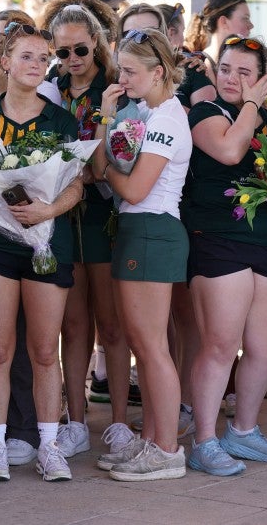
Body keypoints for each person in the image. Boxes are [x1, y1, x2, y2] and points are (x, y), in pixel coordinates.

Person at [0, 21, 82, 483]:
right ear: (4, 61)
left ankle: (48, 445)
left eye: (43, 58)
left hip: (46, 245)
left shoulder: (61, 119)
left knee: (46, 350)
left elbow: (78, 184)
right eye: (26, 56)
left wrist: (49, 209)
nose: (36, 65)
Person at [185, 36, 267, 476]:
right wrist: (250, 104)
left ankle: (244, 433)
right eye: (226, 69)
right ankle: (204, 440)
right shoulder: (205, 112)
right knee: (221, 344)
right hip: (218, 238)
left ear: (264, 77)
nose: (232, 78)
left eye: (244, 72)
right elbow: (229, 150)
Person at [91, 28, 191, 481]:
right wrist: (106, 121)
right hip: (139, 229)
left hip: (153, 229)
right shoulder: (149, 113)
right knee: (142, 346)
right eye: (121, 70)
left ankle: (167, 449)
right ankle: (152, 440)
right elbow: (101, 168)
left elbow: (133, 186)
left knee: (152, 348)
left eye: (131, 71)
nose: (123, 79)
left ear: (159, 72)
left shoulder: (167, 119)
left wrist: (109, 166)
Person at [46, 4, 133, 459]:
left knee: (112, 325)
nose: (73, 59)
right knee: (73, 323)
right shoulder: (51, 89)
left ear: (96, 42)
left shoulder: (117, 88)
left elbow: (120, 158)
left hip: (104, 212)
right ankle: (76, 421)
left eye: (81, 48)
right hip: (62, 215)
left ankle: (118, 421)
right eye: (63, 51)